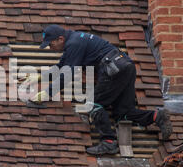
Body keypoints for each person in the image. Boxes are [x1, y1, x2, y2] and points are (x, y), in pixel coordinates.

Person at [25, 24, 172, 156]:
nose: (51, 48)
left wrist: (46, 93)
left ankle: (108, 142)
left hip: (113, 70)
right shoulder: (75, 40)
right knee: (123, 113)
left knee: (92, 104)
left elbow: (67, 73)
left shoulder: (74, 44)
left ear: (60, 39)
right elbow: (61, 66)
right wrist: (40, 77)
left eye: (50, 44)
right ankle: (156, 116)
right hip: (125, 66)